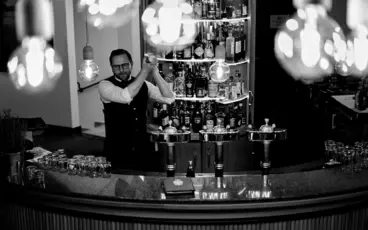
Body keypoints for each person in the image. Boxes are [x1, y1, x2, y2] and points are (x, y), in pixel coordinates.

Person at [98, 49, 174, 171]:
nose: (121, 70)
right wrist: (144, 70)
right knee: (117, 188)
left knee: (143, 187)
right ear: (111, 67)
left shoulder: (144, 84)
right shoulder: (104, 85)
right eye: (116, 67)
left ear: (131, 64)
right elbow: (125, 96)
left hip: (142, 148)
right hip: (117, 150)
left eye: (124, 65)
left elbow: (169, 98)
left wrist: (154, 72)